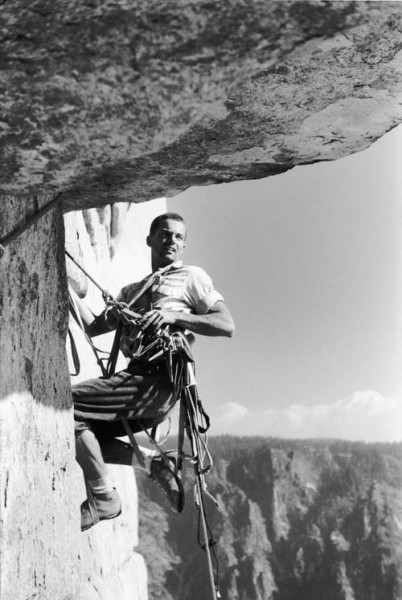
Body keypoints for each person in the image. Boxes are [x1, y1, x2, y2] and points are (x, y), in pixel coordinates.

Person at [72, 212, 235, 531]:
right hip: (138, 384)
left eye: (177, 236)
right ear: (150, 239)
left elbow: (226, 324)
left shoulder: (191, 277)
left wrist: (173, 316)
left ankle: (105, 498)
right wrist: (64, 283)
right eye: (164, 233)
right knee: (79, 432)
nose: (171, 240)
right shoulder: (130, 293)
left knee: (62, 407)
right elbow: (93, 327)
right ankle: (154, 462)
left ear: (184, 245)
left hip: (158, 379)